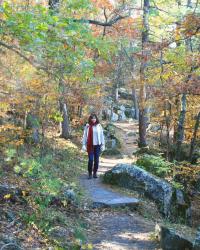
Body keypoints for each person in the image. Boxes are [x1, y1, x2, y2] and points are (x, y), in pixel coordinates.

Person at [82, 113, 105, 179]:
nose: (93, 119)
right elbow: (85, 136)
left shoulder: (99, 126)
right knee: (91, 160)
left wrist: (103, 144)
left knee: (96, 160)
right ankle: (89, 173)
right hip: (90, 146)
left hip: (97, 146)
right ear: (90, 119)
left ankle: (95, 172)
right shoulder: (88, 126)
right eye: (92, 118)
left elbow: (102, 136)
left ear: (96, 118)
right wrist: (83, 144)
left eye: (94, 118)